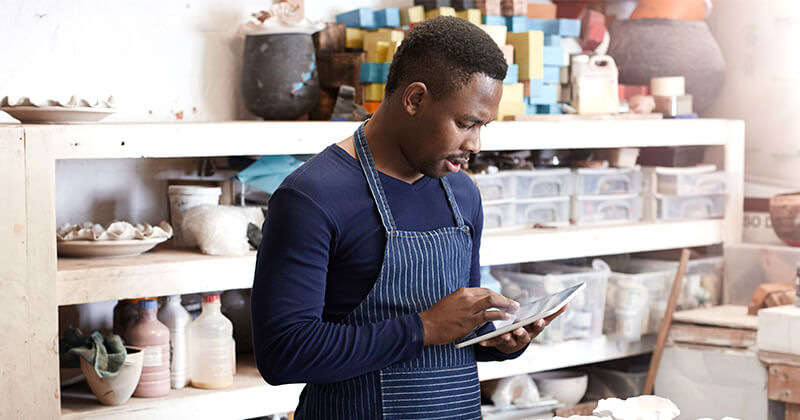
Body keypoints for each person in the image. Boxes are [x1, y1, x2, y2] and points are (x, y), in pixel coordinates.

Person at [251, 16, 566, 419]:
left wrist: (500, 340)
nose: (475, 144)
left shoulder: (462, 193)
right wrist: (423, 328)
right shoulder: (312, 197)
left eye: (483, 126)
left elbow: (457, 327)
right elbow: (283, 354)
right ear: (415, 99)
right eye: (466, 123)